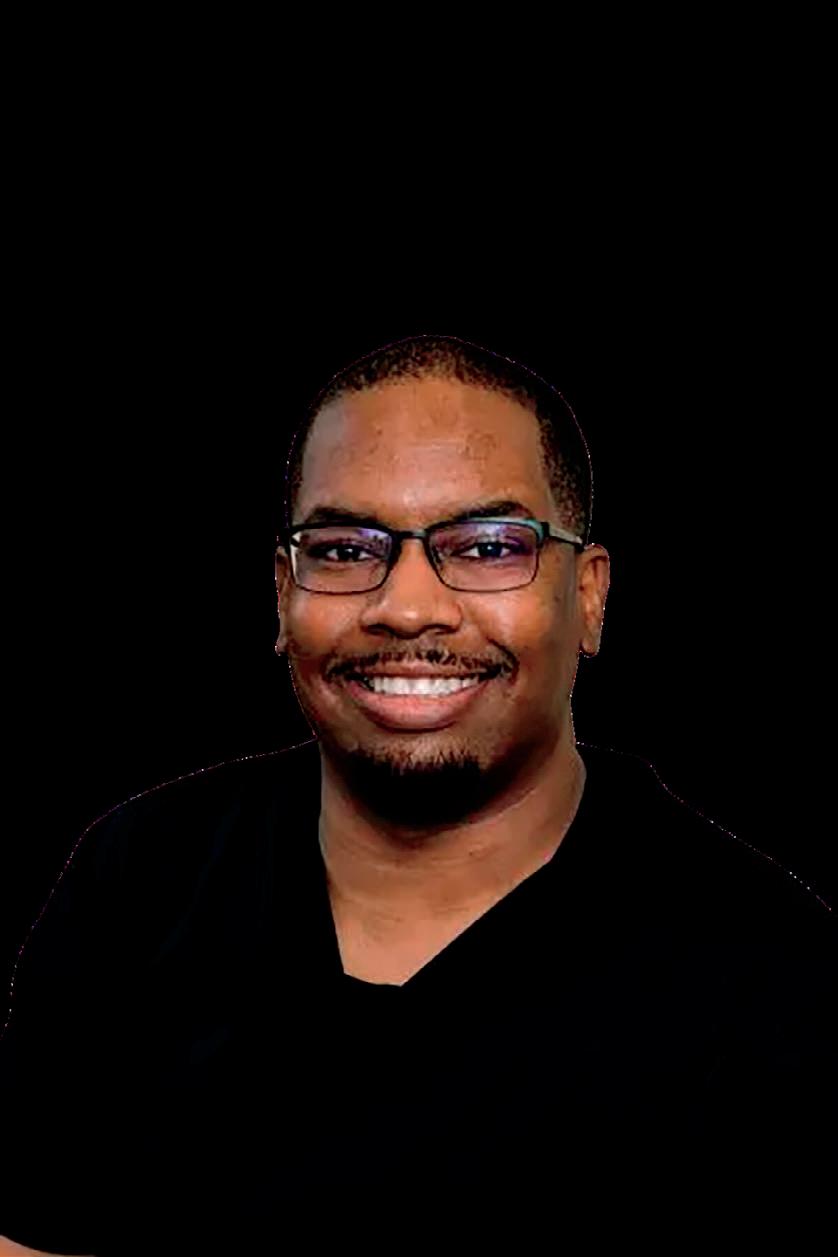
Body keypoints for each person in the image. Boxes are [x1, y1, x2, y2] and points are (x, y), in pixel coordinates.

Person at [1, 333, 834, 1254]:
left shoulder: (772, 983)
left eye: (487, 546)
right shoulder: (140, 881)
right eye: (344, 548)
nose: (406, 607)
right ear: (282, 594)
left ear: (590, 596)